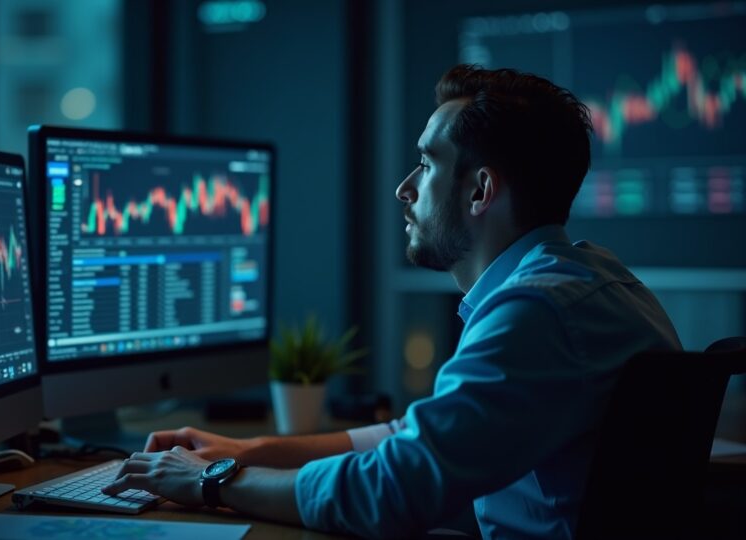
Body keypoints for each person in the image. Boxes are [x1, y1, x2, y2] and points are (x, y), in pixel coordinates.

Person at [101, 64, 682, 539]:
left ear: (481, 190)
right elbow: (415, 437)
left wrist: (211, 482)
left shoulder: (536, 313)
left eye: (427, 164)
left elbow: (394, 490)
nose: (405, 188)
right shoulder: (592, 280)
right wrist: (249, 450)